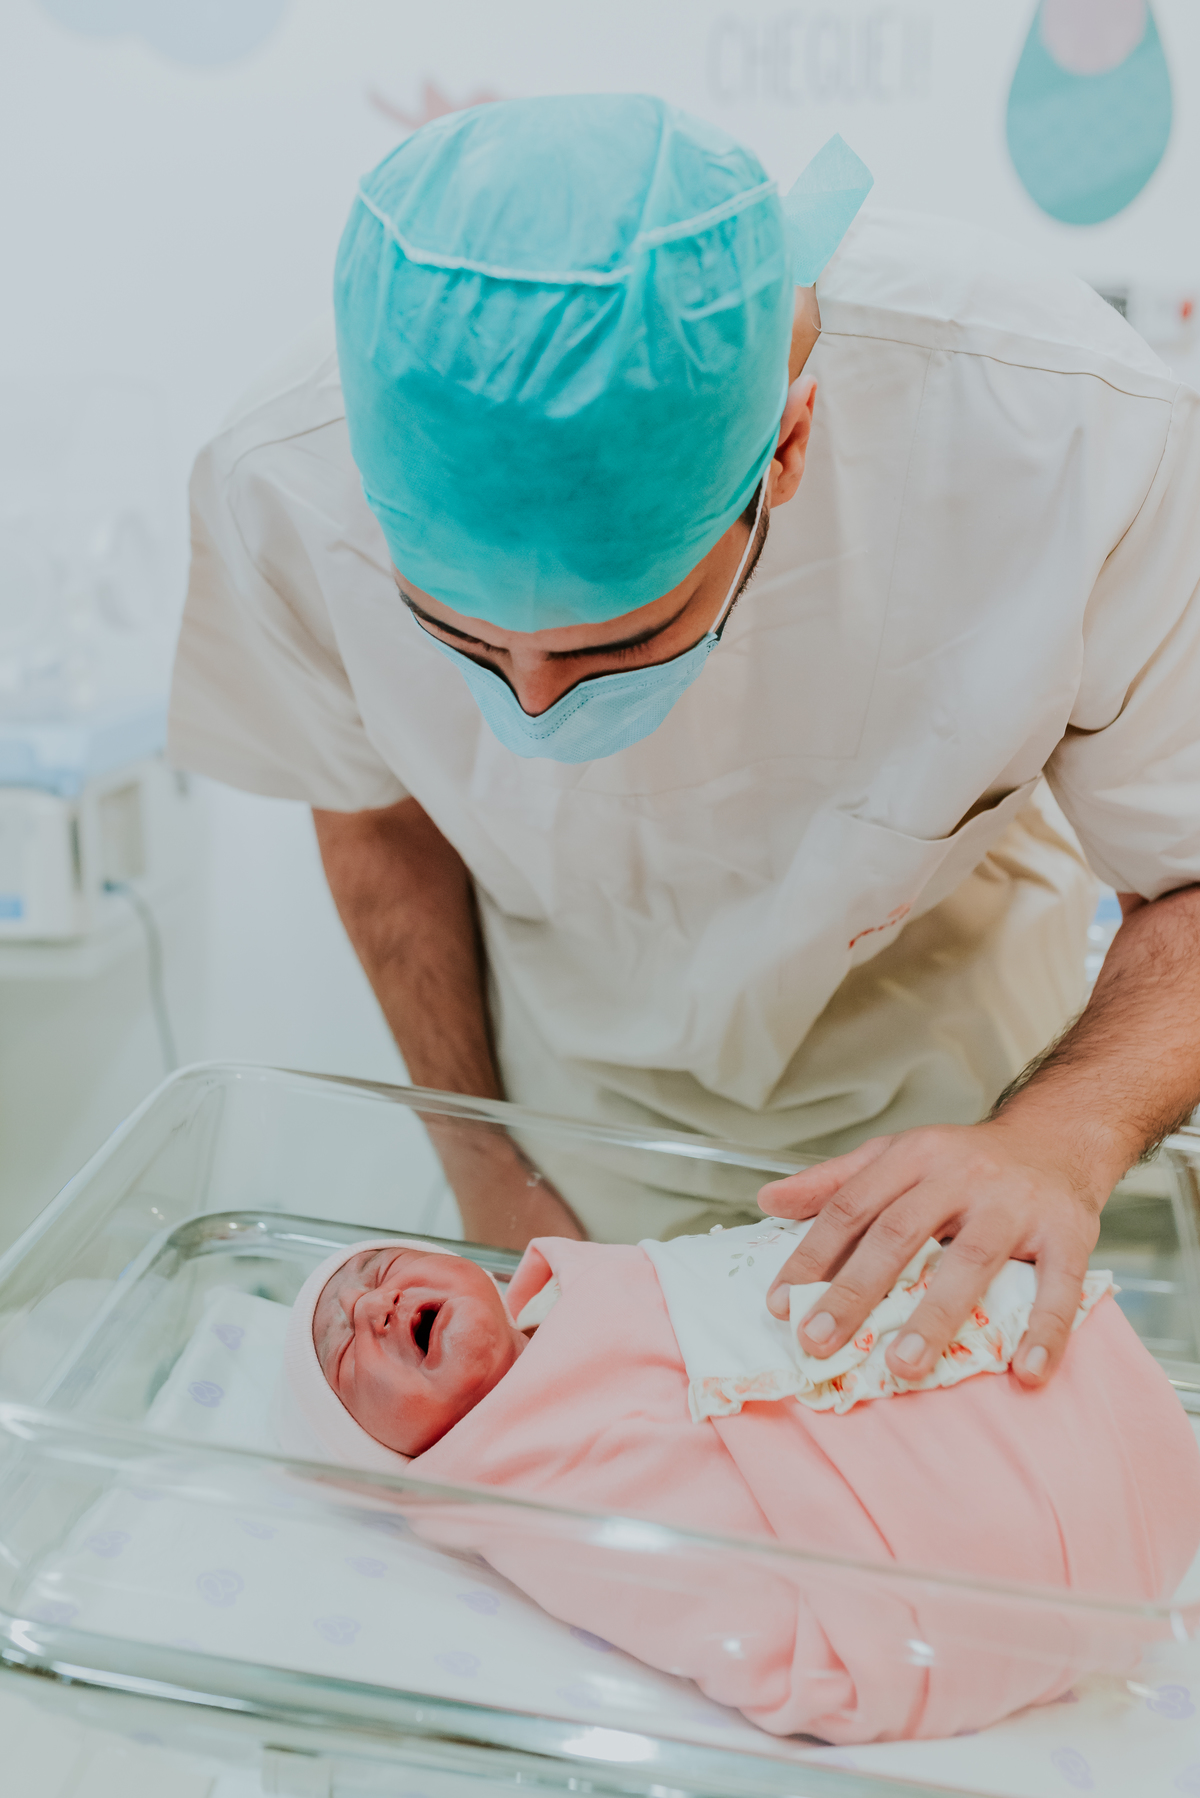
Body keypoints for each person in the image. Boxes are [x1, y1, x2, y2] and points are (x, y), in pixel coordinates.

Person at [170, 93, 1200, 1395]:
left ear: (789, 443)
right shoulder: (284, 474)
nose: (535, 707)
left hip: (962, 1097)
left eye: (616, 646)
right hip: (569, 1106)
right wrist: (491, 1171)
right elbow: (374, 819)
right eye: (462, 641)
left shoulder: (1060, 424)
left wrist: (1059, 1135)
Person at [274, 1232, 1200, 1744]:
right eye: (343, 1348)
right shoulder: (516, 1486)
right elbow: (701, 1597)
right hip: (952, 1567)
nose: (372, 1305)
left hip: (1042, 1387)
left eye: (377, 1269)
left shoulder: (601, 1279)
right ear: (388, 1460)